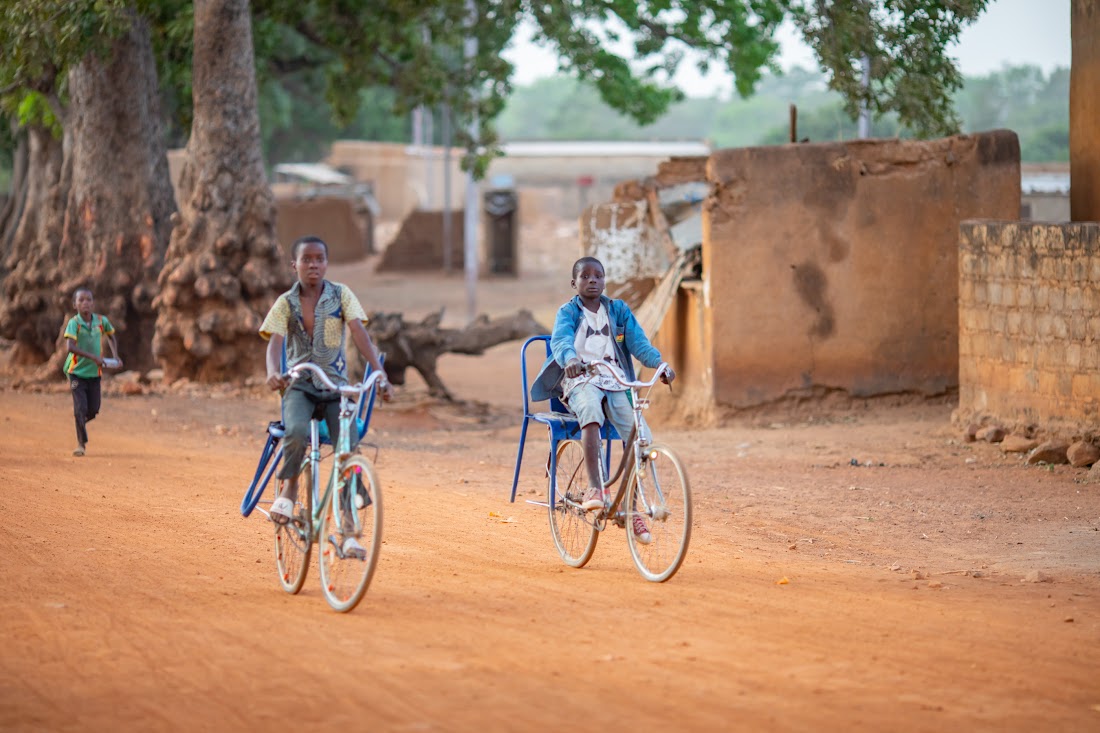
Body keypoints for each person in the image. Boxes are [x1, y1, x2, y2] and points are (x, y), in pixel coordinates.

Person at [259, 235, 393, 558]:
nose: (314, 265)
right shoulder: (285, 303)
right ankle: (290, 490)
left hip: (335, 388)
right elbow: (275, 341)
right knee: (295, 432)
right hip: (300, 386)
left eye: (319, 259)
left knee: (349, 449)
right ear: (294, 265)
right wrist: (272, 372)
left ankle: (348, 528)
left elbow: (360, 333)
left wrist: (380, 374)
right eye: (306, 260)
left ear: (327, 263)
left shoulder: (341, 295)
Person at [531, 256, 675, 545]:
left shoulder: (618, 310)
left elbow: (638, 343)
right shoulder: (568, 312)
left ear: (605, 280)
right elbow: (560, 341)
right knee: (590, 412)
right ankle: (595, 488)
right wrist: (570, 359)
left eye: (598, 276)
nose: (592, 280)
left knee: (638, 434)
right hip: (581, 379)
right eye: (585, 276)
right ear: (575, 283)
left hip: (615, 380)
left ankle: (631, 505)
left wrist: (659, 365)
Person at [62, 288, 121, 457]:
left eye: (88, 299)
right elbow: (70, 347)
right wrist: (93, 357)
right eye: (81, 300)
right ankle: (81, 444)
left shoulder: (101, 321)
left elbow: (111, 336)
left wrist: (115, 356)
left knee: (93, 409)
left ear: (93, 303)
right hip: (77, 372)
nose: (85, 303)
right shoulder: (74, 323)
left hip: (94, 373)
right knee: (80, 408)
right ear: (75, 304)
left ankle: (79, 421)